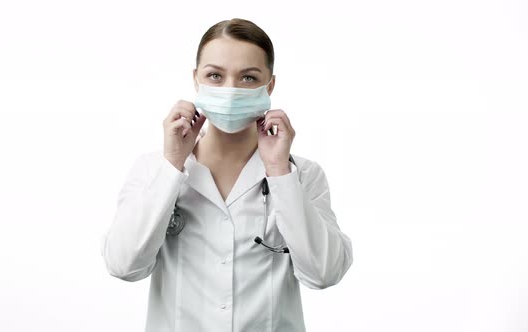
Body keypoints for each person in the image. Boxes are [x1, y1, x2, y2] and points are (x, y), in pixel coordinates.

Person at [101, 18, 353, 332]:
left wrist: (279, 173)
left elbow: (324, 273)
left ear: (269, 85)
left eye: (248, 77)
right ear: (196, 80)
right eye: (215, 76)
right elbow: (124, 265)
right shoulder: (154, 169)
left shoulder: (301, 174)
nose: (230, 90)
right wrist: (173, 167)